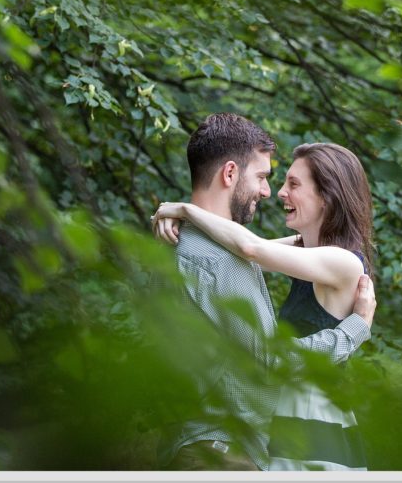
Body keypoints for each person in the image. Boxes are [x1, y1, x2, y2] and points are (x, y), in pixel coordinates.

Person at [152, 113, 376, 472]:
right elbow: (252, 249)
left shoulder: (185, 248)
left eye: (292, 184)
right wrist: (352, 331)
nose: (274, 192)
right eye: (265, 177)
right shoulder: (223, 257)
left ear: (327, 196)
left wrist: (184, 209)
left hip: (293, 430)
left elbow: (253, 249)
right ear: (229, 174)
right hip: (227, 447)